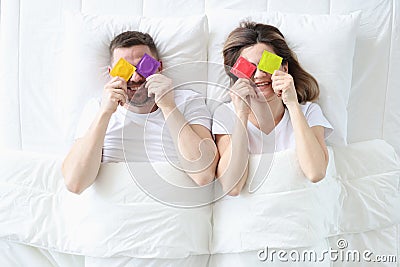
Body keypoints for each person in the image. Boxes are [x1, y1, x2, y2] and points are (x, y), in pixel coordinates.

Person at [62, 31, 218, 194]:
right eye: (126, 69)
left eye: (143, 67)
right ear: (111, 74)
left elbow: (204, 175)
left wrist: (168, 107)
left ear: (159, 67)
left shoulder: (188, 101)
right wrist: (105, 113)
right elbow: (75, 183)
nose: (136, 78)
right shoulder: (97, 108)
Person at [212, 21, 333, 196]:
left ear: (284, 68)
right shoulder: (225, 115)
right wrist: (242, 113)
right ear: (237, 75)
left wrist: (292, 104)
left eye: (267, 65)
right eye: (250, 68)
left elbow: (316, 172)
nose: (260, 75)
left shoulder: (309, 112)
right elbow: (232, 187)